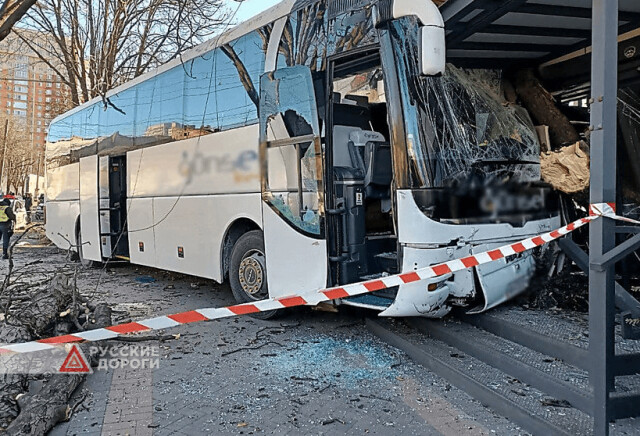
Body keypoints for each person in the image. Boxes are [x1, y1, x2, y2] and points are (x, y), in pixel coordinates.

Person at [0, 191, 16, 259]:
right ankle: (5, 254)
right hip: (5, 225)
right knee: (5, 239)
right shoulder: (7, 208)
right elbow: (12, 217)